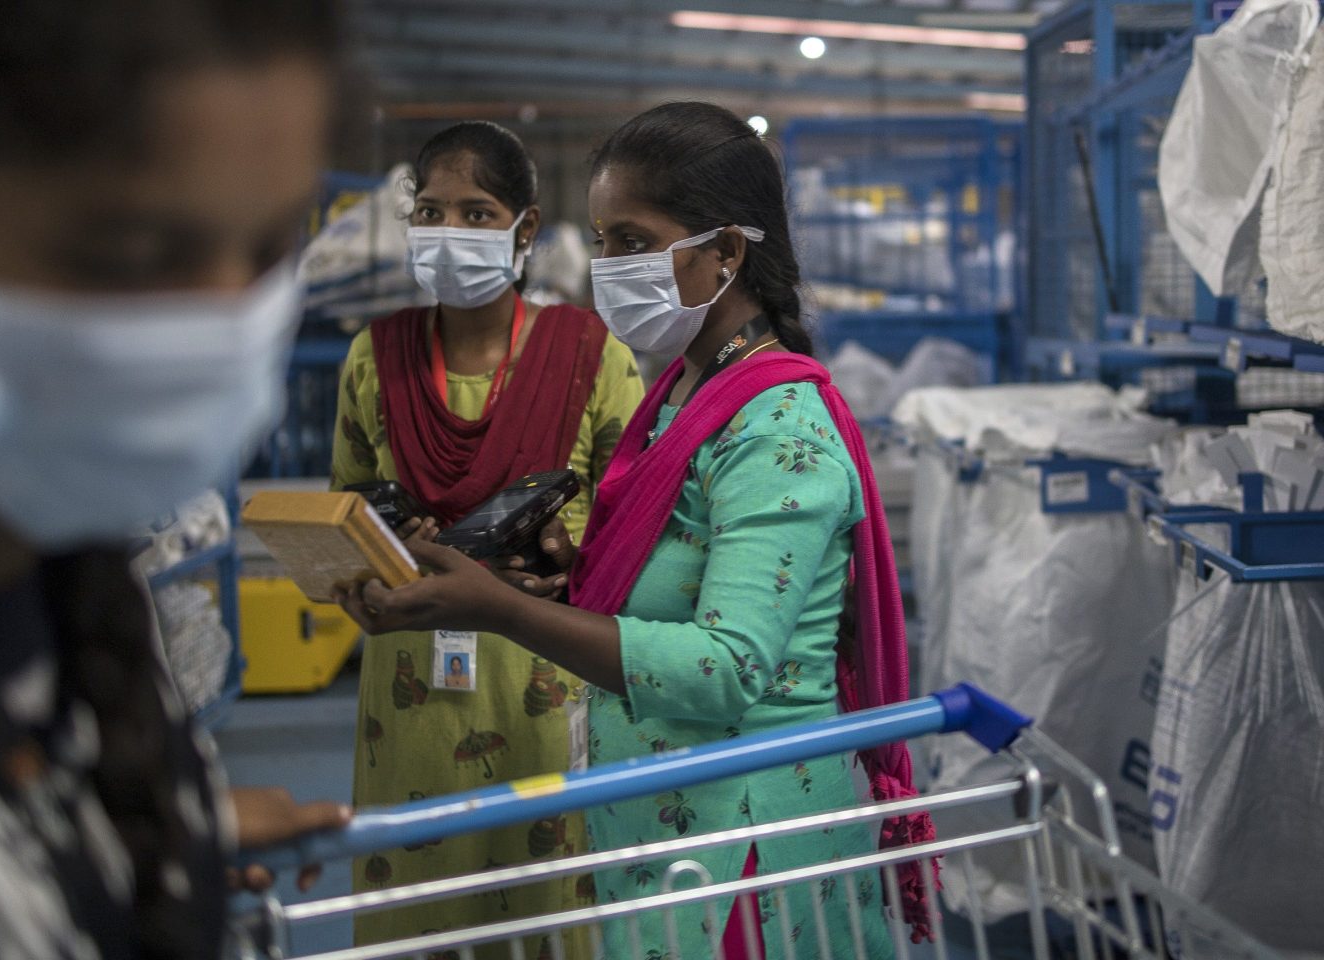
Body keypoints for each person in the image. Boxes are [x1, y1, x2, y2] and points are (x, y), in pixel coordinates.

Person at [337, 102, 936, 959]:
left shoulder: (778, 433)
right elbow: (670, 581)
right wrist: (559, 574)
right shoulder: (681, 397)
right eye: (603, 239)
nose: (610, 265)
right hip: (663, 835)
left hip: (743, 858)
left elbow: (724, 669)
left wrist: (504, 614)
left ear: (727, 252)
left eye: (632, 240)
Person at [0, 1, 352, 956]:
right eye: (135, 255)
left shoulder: (79, 598)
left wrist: (152, 844)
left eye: (268, 250)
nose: (225, 324)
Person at [329, 121, 643, 953]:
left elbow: (629, 521)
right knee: (414, 904)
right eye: (430, 212)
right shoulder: (375, 356)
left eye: (476, 213)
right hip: (408, 688)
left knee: (547, 898)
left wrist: (561, 546)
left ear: (524, 229)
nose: (449, 233)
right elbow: (342, 513)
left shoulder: (592, 354)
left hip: (541, 669)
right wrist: (359, 575)